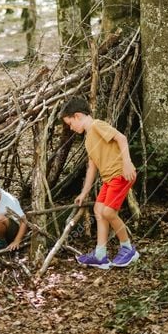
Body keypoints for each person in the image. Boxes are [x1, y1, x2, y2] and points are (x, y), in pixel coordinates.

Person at [60, 96, 138, 268]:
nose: (71, 128)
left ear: (78, 116)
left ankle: (128, 249)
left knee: (109, 212)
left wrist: (127, 162)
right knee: (98, 209)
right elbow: (91, 168)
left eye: (70, 123)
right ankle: (100, 255)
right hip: (108, 179)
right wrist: (84, 192)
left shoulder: (97, 125)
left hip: (120, 174)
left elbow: (121, 138)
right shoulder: (88, 139)